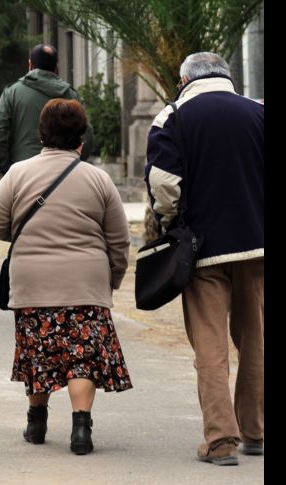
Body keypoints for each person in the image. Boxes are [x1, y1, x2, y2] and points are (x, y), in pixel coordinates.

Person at [0, 98, 132, 455]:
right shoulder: (99, 179)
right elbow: (119, 239)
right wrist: (113, 277)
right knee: (81, 356)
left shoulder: (18, 173)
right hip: (86, 282)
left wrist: (19, 233)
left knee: (38, 353)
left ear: (41, 134)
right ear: (82, 137)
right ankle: (81, 428)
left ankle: (37, 421)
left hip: (33, 281)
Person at [145, 52, 264, 466]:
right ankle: (255, 431)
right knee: (256, 340)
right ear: (228, 76)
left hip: (202, 250)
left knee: (210, 346)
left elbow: (163, 184)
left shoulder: (172, 118)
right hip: (256, 246)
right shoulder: (259, 112)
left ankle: (221, 441)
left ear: (183, 79)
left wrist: (171, 221)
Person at [0, 44, 94, 174]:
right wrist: (75, 162)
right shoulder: (72, 96)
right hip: (63, 173)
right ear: (56, 67)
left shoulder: (13, 93)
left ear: (30, 65)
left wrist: (5, 165)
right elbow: (88, 136)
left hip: (23, 172)